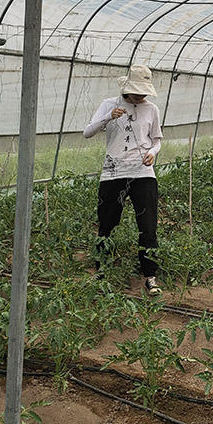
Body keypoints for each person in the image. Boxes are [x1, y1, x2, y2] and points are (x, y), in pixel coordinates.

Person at [83, 64, 163, 294]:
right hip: (113, 173)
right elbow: (87, 132)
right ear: (127, 87)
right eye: (137, 90)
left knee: (147, 227)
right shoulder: (110, 105)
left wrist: (153, 153)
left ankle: (150, 276)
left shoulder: (152, 110)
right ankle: (101, 270)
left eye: (144, 91)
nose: (140, 95)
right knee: (107, 224)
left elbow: (156, 140)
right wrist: (108, 117)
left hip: (143, 173)